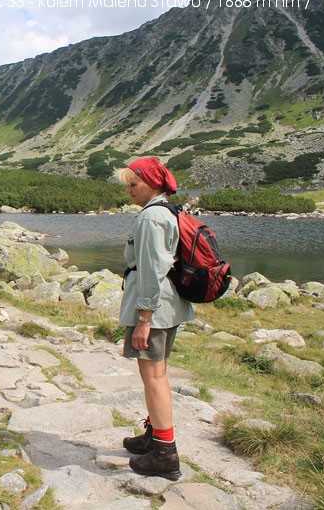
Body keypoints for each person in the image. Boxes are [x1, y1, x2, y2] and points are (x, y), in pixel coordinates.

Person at [117, 157, 194, 481]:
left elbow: (151, 271)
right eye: (128, 185)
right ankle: (154, 435)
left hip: (154, 310)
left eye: (134, 184)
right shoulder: (167, 212)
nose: (129, 190)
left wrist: (144, 318)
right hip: (167, 307)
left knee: (154, 377)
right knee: (156, 374)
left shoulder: (151, 219)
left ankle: (165, 454)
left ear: (153, 183)